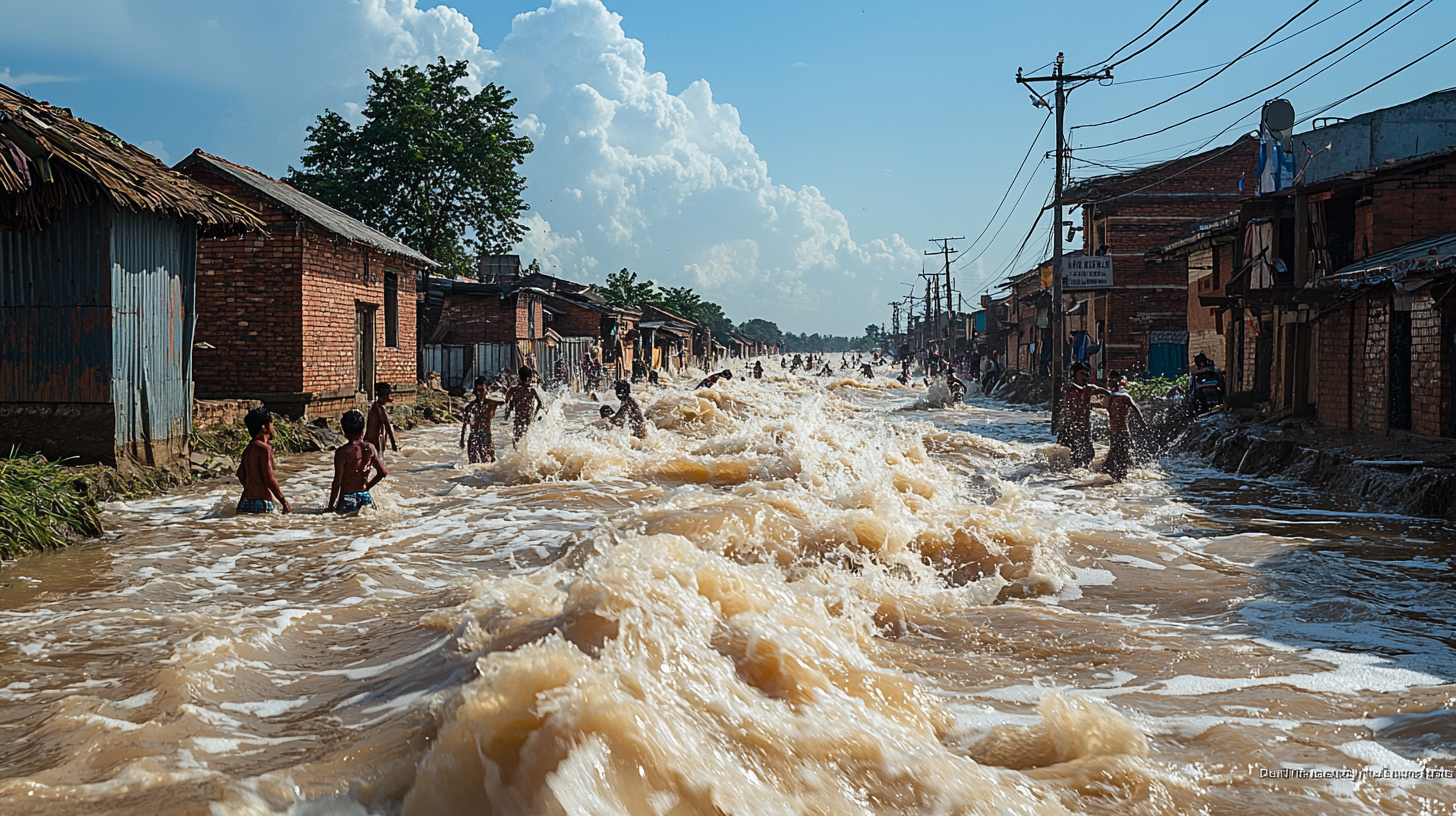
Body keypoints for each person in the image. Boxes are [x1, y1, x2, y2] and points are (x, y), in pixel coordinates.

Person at [328, 409, 387, 514]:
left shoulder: (342, 452)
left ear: (345, 433)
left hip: (347, 499)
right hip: (365, 497)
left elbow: (337, 482)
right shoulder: (371, 448)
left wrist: (330, 507)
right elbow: (383, 473)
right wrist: (366, 487)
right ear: (363, 431)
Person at [236, 407, 290, 514]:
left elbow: (240, 474)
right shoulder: (264, 449)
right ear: (264, 427)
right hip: (261, 503)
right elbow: (268, 478)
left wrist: (251, 488)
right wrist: (284, 501)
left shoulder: (249, 447)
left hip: (245, 501)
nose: (273, 427)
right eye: (271, 423)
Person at [1059, 362, 1107, 470]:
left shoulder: (1090, 389)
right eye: (1082, 374)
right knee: (1069, 452)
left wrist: (1099, 404)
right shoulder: (1068, 388)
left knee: (1089, 452)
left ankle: (1083, 472)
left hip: (1084, 426)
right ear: (1074, 374)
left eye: (1086, 374)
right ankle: (1070, 474)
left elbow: (1108, 394)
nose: (1084, 377)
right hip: (1069, 427)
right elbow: (1065, 391)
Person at [1101, 372, 1147, 483]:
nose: (1110, 381)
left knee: (1115, 460)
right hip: (1114, 433)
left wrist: (1142, 422)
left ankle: (1121, 481)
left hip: (1122, 432)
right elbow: (1101, 405)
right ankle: (1120, 480)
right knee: (1119, 459)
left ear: (1118, 381)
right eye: (1109, 379)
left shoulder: (1124, 396)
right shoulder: (1108, 396)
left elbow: (1135, 408)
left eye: (1113, 379)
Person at [459, 376, 505, 464]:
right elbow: (465, 424)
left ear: (486, 390)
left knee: (489, 460)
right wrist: (462, 440)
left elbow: (503, 402)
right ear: (475, 392)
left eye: (483, 390)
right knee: (473, 462)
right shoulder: (470, 406)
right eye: (479, 391)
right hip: (473, 436)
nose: (481, 393)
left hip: (486, 435)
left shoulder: (490, 403)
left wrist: (490, 401)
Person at [503, 366, 544, 442]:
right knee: (527, 437)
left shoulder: (514, 389)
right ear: (529, 378)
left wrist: (508, 409)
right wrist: (534, 414)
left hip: (518, 418)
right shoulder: (531, 390)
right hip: (528, 418)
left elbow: (506, 400)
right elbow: (540, 403)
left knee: (517, 438)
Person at [366, 382, 399, 459]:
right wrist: (393, 444)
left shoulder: (373, 407)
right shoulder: (379, 409)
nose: (387, 398)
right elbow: (387, 426)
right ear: (382, 396)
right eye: (386, 395)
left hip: (370, 442)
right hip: (375, 444)